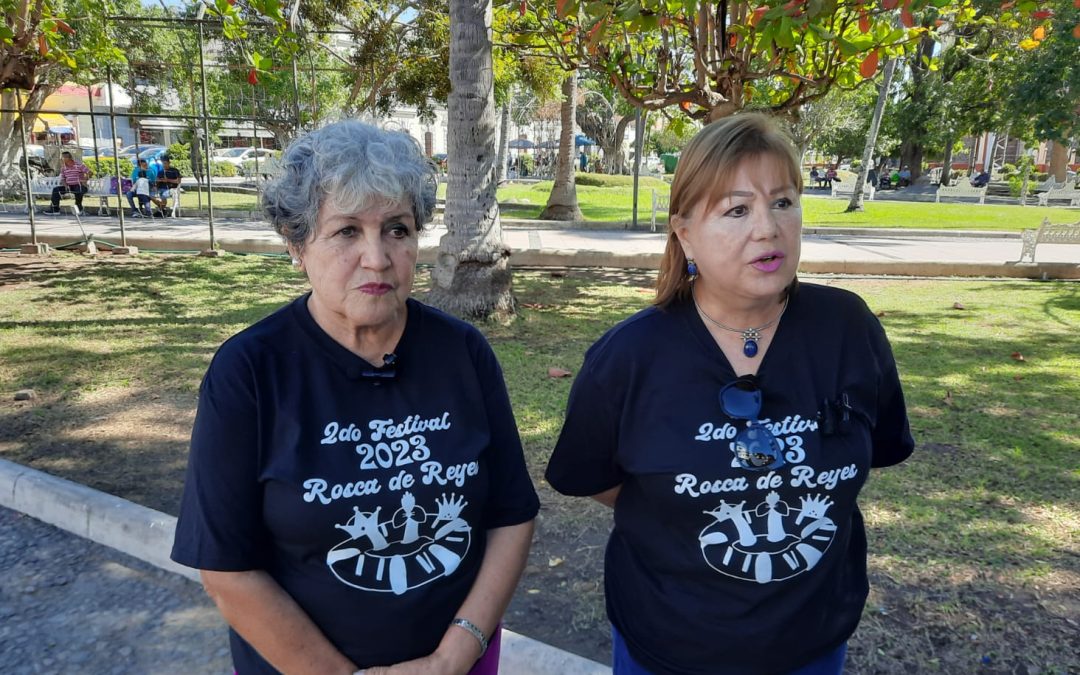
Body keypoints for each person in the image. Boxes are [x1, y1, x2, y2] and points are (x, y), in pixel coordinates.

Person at [545, 113, 914, 675]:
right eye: (737, 209)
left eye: (783, 202)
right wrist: (678, 510)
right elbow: (592, 478)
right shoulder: (628, 357)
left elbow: (875, 450)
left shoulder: (849, 328)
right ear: (684, 231)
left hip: (811, 643)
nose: (767, 229)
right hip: (668, 647)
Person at [171, 120, 539, 675]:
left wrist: (456, 653)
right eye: (346, 231)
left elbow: (511, 515)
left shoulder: (462, 352)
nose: (377, 257)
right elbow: (226, 567)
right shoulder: (249, 371)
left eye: (397, 229)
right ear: (298, 246)